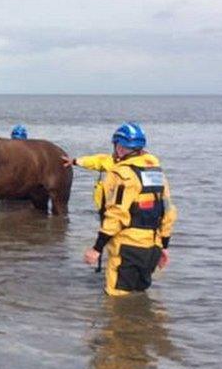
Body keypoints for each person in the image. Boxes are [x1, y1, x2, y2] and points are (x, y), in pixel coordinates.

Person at [68, 122, 177, 297]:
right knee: (140, 295)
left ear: (119, 147)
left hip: (128, 247)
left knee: (116, 301)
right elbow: (168, 211)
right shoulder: (157, 173)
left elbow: (116, 214)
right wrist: (164, 246)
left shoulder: (120, 174)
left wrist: (97, 248)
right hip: (153, 248)